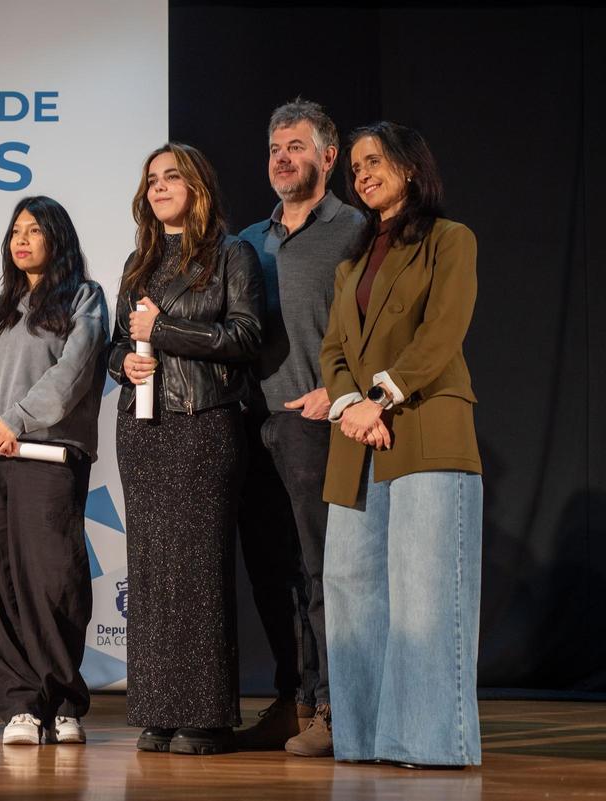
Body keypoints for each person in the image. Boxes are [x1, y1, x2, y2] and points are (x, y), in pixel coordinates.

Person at [320, 121, 482, 767]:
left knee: (424, 594)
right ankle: (361, 740)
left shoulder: (450, 239)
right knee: (352, 591)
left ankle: (429, 743)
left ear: (411, 168)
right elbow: (333, 349)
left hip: (424, 428)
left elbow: (443, 332)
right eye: (355, 165)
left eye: (375, 160)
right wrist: (349, 406)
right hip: (357, 437)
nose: (362, 173)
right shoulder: (351, 262)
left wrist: (380, 398)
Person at [109, 142, 263, 756]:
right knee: (150, 570)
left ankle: (204, 715)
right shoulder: (138, 263)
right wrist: (123, 361)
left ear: (198, 187)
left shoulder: (233, 254)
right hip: (142, 431)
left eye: (172, 177)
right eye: (152, 180)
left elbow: (247, 335)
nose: (160, 187)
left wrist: (164, 332)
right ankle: (156, 710)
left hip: (203, 426)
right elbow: (115, 347)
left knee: (198, 570)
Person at [235, 98, 365, 756]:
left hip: (319, 425)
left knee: (322, 571)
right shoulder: (249, 240)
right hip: (253, 429)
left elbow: (379, 331)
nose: (283, 158)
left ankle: (333, 707)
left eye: (296, 146)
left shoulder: (356, 231)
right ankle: (292, 699)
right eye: (275, 148)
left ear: (328, 156)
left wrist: (337, 393)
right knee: (270, 572)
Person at [0, 196, 108, 746]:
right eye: (15, 231)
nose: (21, 240)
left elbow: (73, 372)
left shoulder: (83, 298)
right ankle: (20, 705)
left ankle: (63, 702)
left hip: (47, 457)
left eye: (34, 230)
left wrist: (16, 422)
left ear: (57, 237)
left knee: (52, 580)